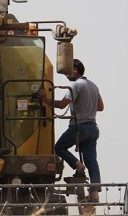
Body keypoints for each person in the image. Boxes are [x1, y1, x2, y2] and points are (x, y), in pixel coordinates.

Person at [39, 59, 105, 202]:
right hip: (92, 128)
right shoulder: (93, 85)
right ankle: (94, 194)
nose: (66, 74)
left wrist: (45, 100)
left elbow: (62, 105)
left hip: (78, 127)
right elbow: (100, 107)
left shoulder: (75, 86)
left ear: (75, 70)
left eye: (69, 70)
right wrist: (87, 107)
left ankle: (77, 165)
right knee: (92, 161)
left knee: (59, 147)